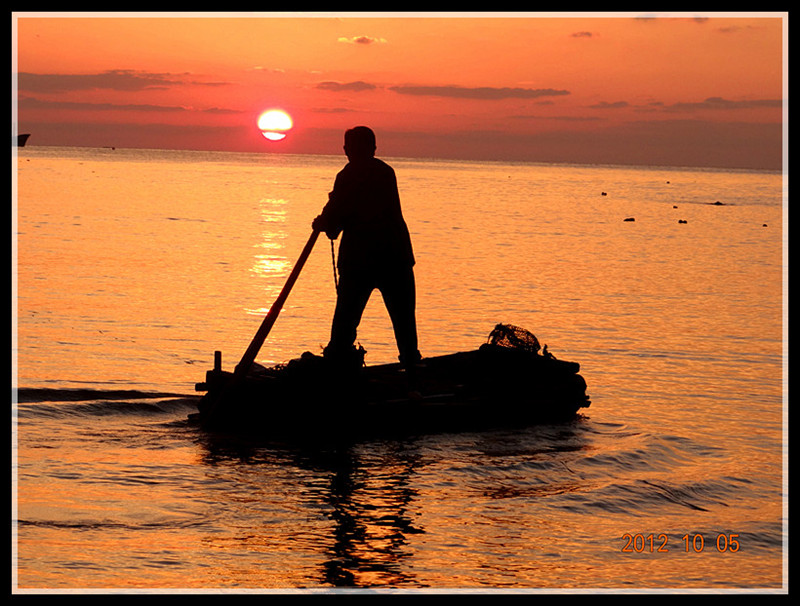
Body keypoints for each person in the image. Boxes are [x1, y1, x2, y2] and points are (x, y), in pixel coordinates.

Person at [312, 126, 421, 370]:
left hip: (362, 262)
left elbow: (338, 213)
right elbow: (342, 209)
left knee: (345, 322)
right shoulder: (385, 172)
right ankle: (413, 373)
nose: (349, 152)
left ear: (348, 150)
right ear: (373, 148)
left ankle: (336, 370)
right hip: (396, 259)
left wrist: (325, 222)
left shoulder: (350, 174)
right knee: (403, 323)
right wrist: (329, 219)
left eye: (350, 147)